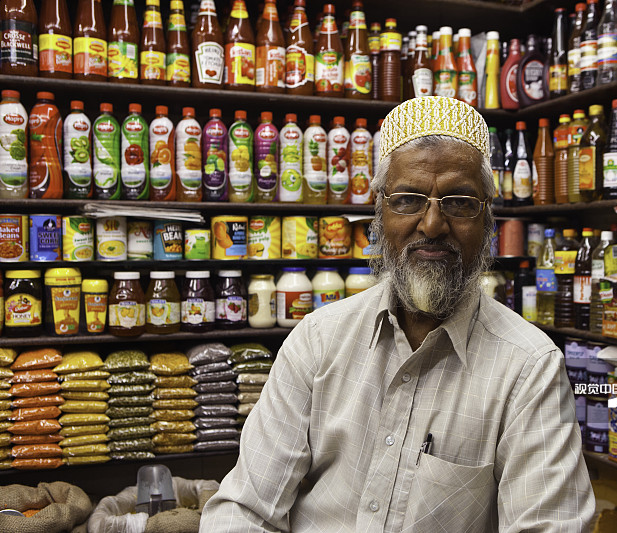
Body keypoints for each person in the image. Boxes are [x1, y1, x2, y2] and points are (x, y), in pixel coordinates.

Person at [200, 96, 595, 532]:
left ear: (487, 219)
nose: (431, 224)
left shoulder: (528, 368)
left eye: (459, 202)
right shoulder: (318, 339)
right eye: (408, 200)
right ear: (379, 212)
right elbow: (246, 508)